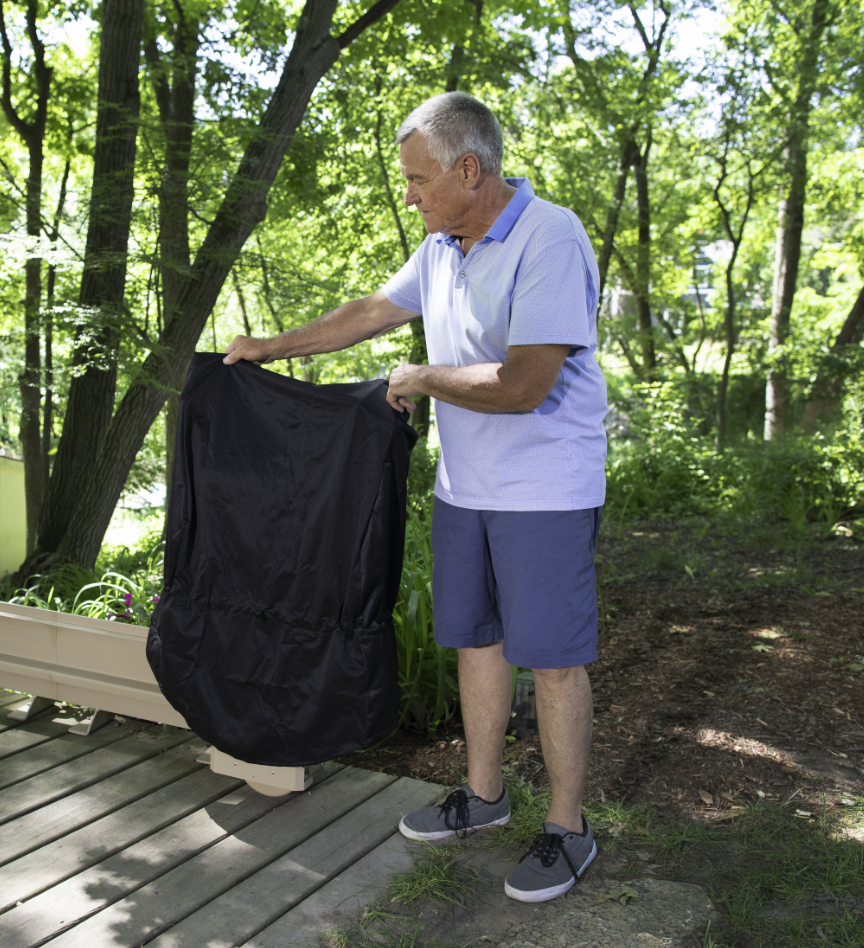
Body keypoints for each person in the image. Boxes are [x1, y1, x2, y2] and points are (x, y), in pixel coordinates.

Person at [223, 91, 607, 904]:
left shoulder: (551, 238)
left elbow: (527, 384)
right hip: (466, 488)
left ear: (470, 170)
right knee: (475, 642)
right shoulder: (444, 244)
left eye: (418, 179)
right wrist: (271, 347)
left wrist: (420, 377)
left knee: (555, 662)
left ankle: (570, 829)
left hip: (545, 489)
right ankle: (485, 797)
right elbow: (372, 311)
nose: (409, 195)